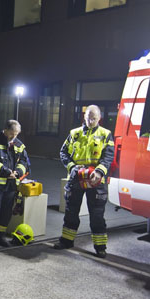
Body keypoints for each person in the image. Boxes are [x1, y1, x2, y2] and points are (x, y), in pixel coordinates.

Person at [54, 105, 114, 258]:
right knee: (71, 212)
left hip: (96, 180)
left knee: (97, 215)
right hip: (76, 178)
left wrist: (99, 171)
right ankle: (67, 241)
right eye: (88, 117)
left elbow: (108, 156)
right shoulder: (74, 133)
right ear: (84, 117)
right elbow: (63, 152)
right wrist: (72, 167)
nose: (90, 121)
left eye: (93, 118)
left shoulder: (105, 134)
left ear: (99, 118)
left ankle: (100, 246)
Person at [0, 120, 30, 252]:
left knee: (6, 213)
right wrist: (5, 171)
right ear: (5, 130)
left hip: (11, 186)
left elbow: (24, 161)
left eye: (16, 134)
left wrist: (18, 172)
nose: (14, 137)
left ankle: (0, 237)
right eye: (11, 134)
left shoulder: (19, 145)